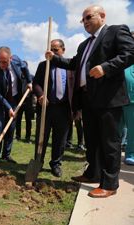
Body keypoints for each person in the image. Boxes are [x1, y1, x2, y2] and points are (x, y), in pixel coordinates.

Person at [45, 5, 134, 197]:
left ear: (102, 15)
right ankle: (92, 173)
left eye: (88, 17)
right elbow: (74, 64)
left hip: (109, 98)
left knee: (109, 142)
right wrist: (55, 58)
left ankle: (110, 184)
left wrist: (106, 67)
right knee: (92, 140)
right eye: (82, 20)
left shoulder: (116, 31)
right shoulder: (84, 45)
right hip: (88, 99)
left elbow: (130, 53)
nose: (85, 22)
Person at [33, 39, 74, 177]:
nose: (52, 52)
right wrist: (40, 95)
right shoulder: (43, 65)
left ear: (63, 50)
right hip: (46, 108)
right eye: (50, 49)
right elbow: (36, 83)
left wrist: (77, 108)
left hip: (63, 109)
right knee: (41, 137)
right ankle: (38, 162)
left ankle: (55, 164)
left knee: (60, 139)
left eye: (55, 50)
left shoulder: (69, 66)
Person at [0, 46, 32, 169]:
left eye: (5, 62)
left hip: (13, 99)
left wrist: (29, 81)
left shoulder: (16, 60)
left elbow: (24, 68)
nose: (2, 64)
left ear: (10, 58)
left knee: (11, 127)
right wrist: (8, 108)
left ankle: (6, 154)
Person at [15, 73, 36, 143]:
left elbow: (35, 88)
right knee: (18, 119)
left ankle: (28, 138)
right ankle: (17, 136)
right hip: (19, 101)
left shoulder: (32, 77)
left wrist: (32, 89)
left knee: (28, 120)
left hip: (28, 101)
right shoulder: (18, 78)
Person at [123, 62, 134, 165]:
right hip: (117, 102)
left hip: (132, 103)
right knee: (115, 130)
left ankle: (130, 154)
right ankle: (111, 154)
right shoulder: (123, 62)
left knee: (132, 131)